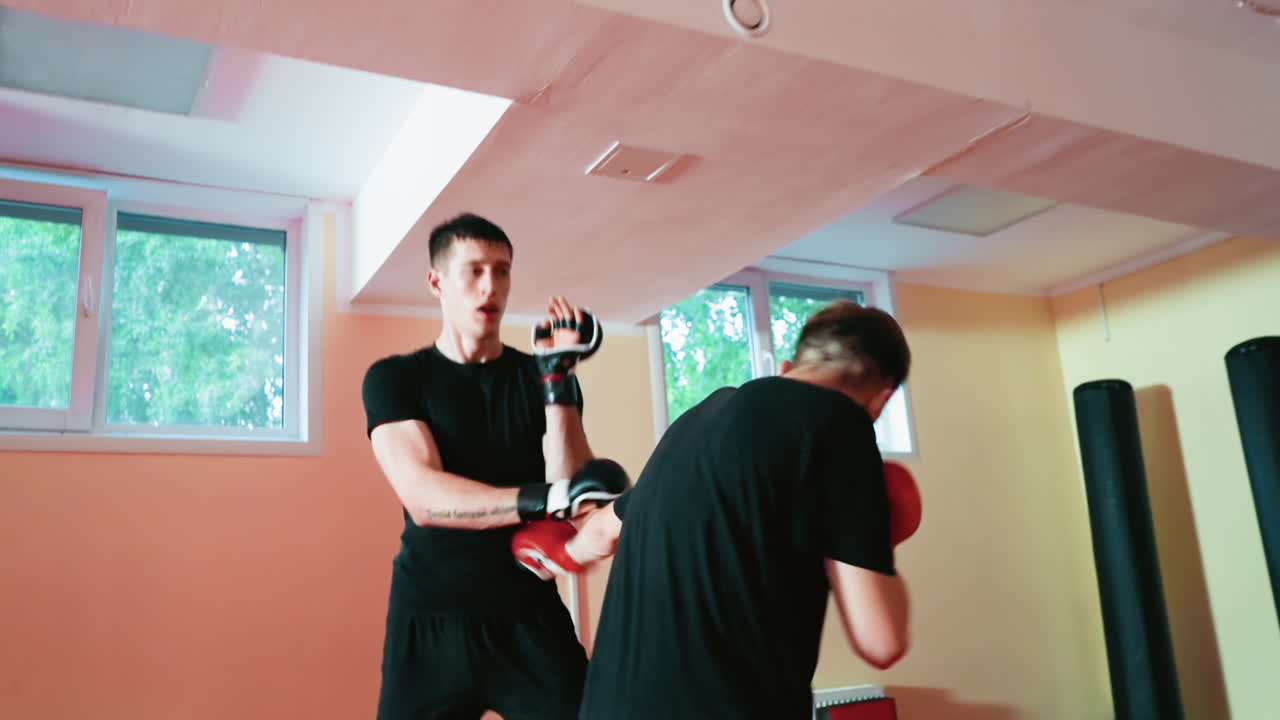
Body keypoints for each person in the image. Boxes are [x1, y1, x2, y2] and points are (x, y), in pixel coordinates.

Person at [521, 300, 918, 720]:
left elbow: (603, 531)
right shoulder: (841, 425)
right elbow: (881, 642)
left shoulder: (696, 420)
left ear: (788, 366)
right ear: (882, 397)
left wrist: (559, 556)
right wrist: (878, 538)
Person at [360, 212, 628, 720]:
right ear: (437, 282)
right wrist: (548, 500)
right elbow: (424, 497)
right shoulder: (396, 378)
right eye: (475, 270)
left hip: (529, 614)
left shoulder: (537, 375)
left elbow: (571, 491)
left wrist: (556, 381)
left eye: (502, 271)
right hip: (432, 618)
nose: (491, 286)